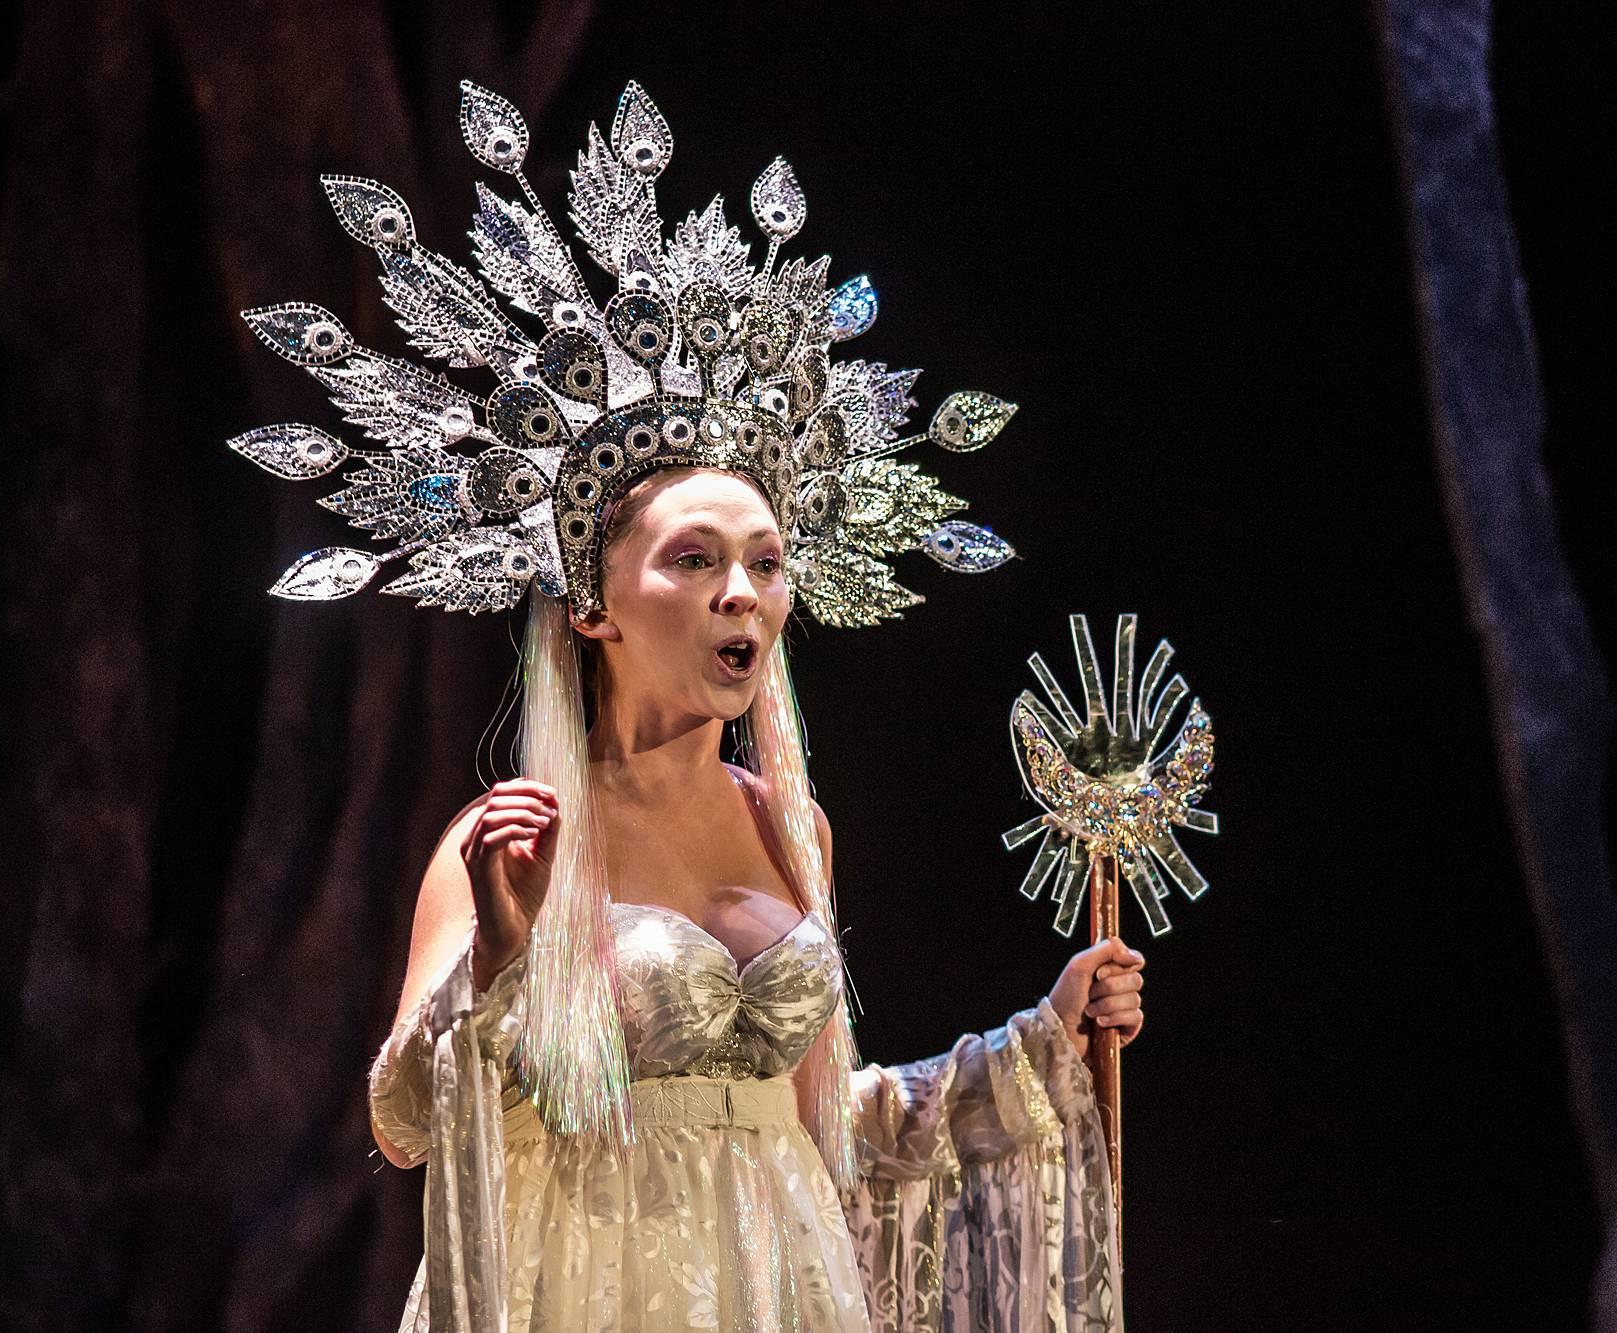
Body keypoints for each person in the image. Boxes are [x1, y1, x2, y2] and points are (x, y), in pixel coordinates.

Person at [232, 80, 1143, 1331]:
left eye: (766, 564)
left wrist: (1041, 1042)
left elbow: (832, 1124)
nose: (742, 598)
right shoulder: (513, 839)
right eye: (694, 561)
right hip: (592, 1286)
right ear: (593, 607)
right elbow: (400, 1126)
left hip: (780, 1286)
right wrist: (500, 960)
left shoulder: (792, 829)